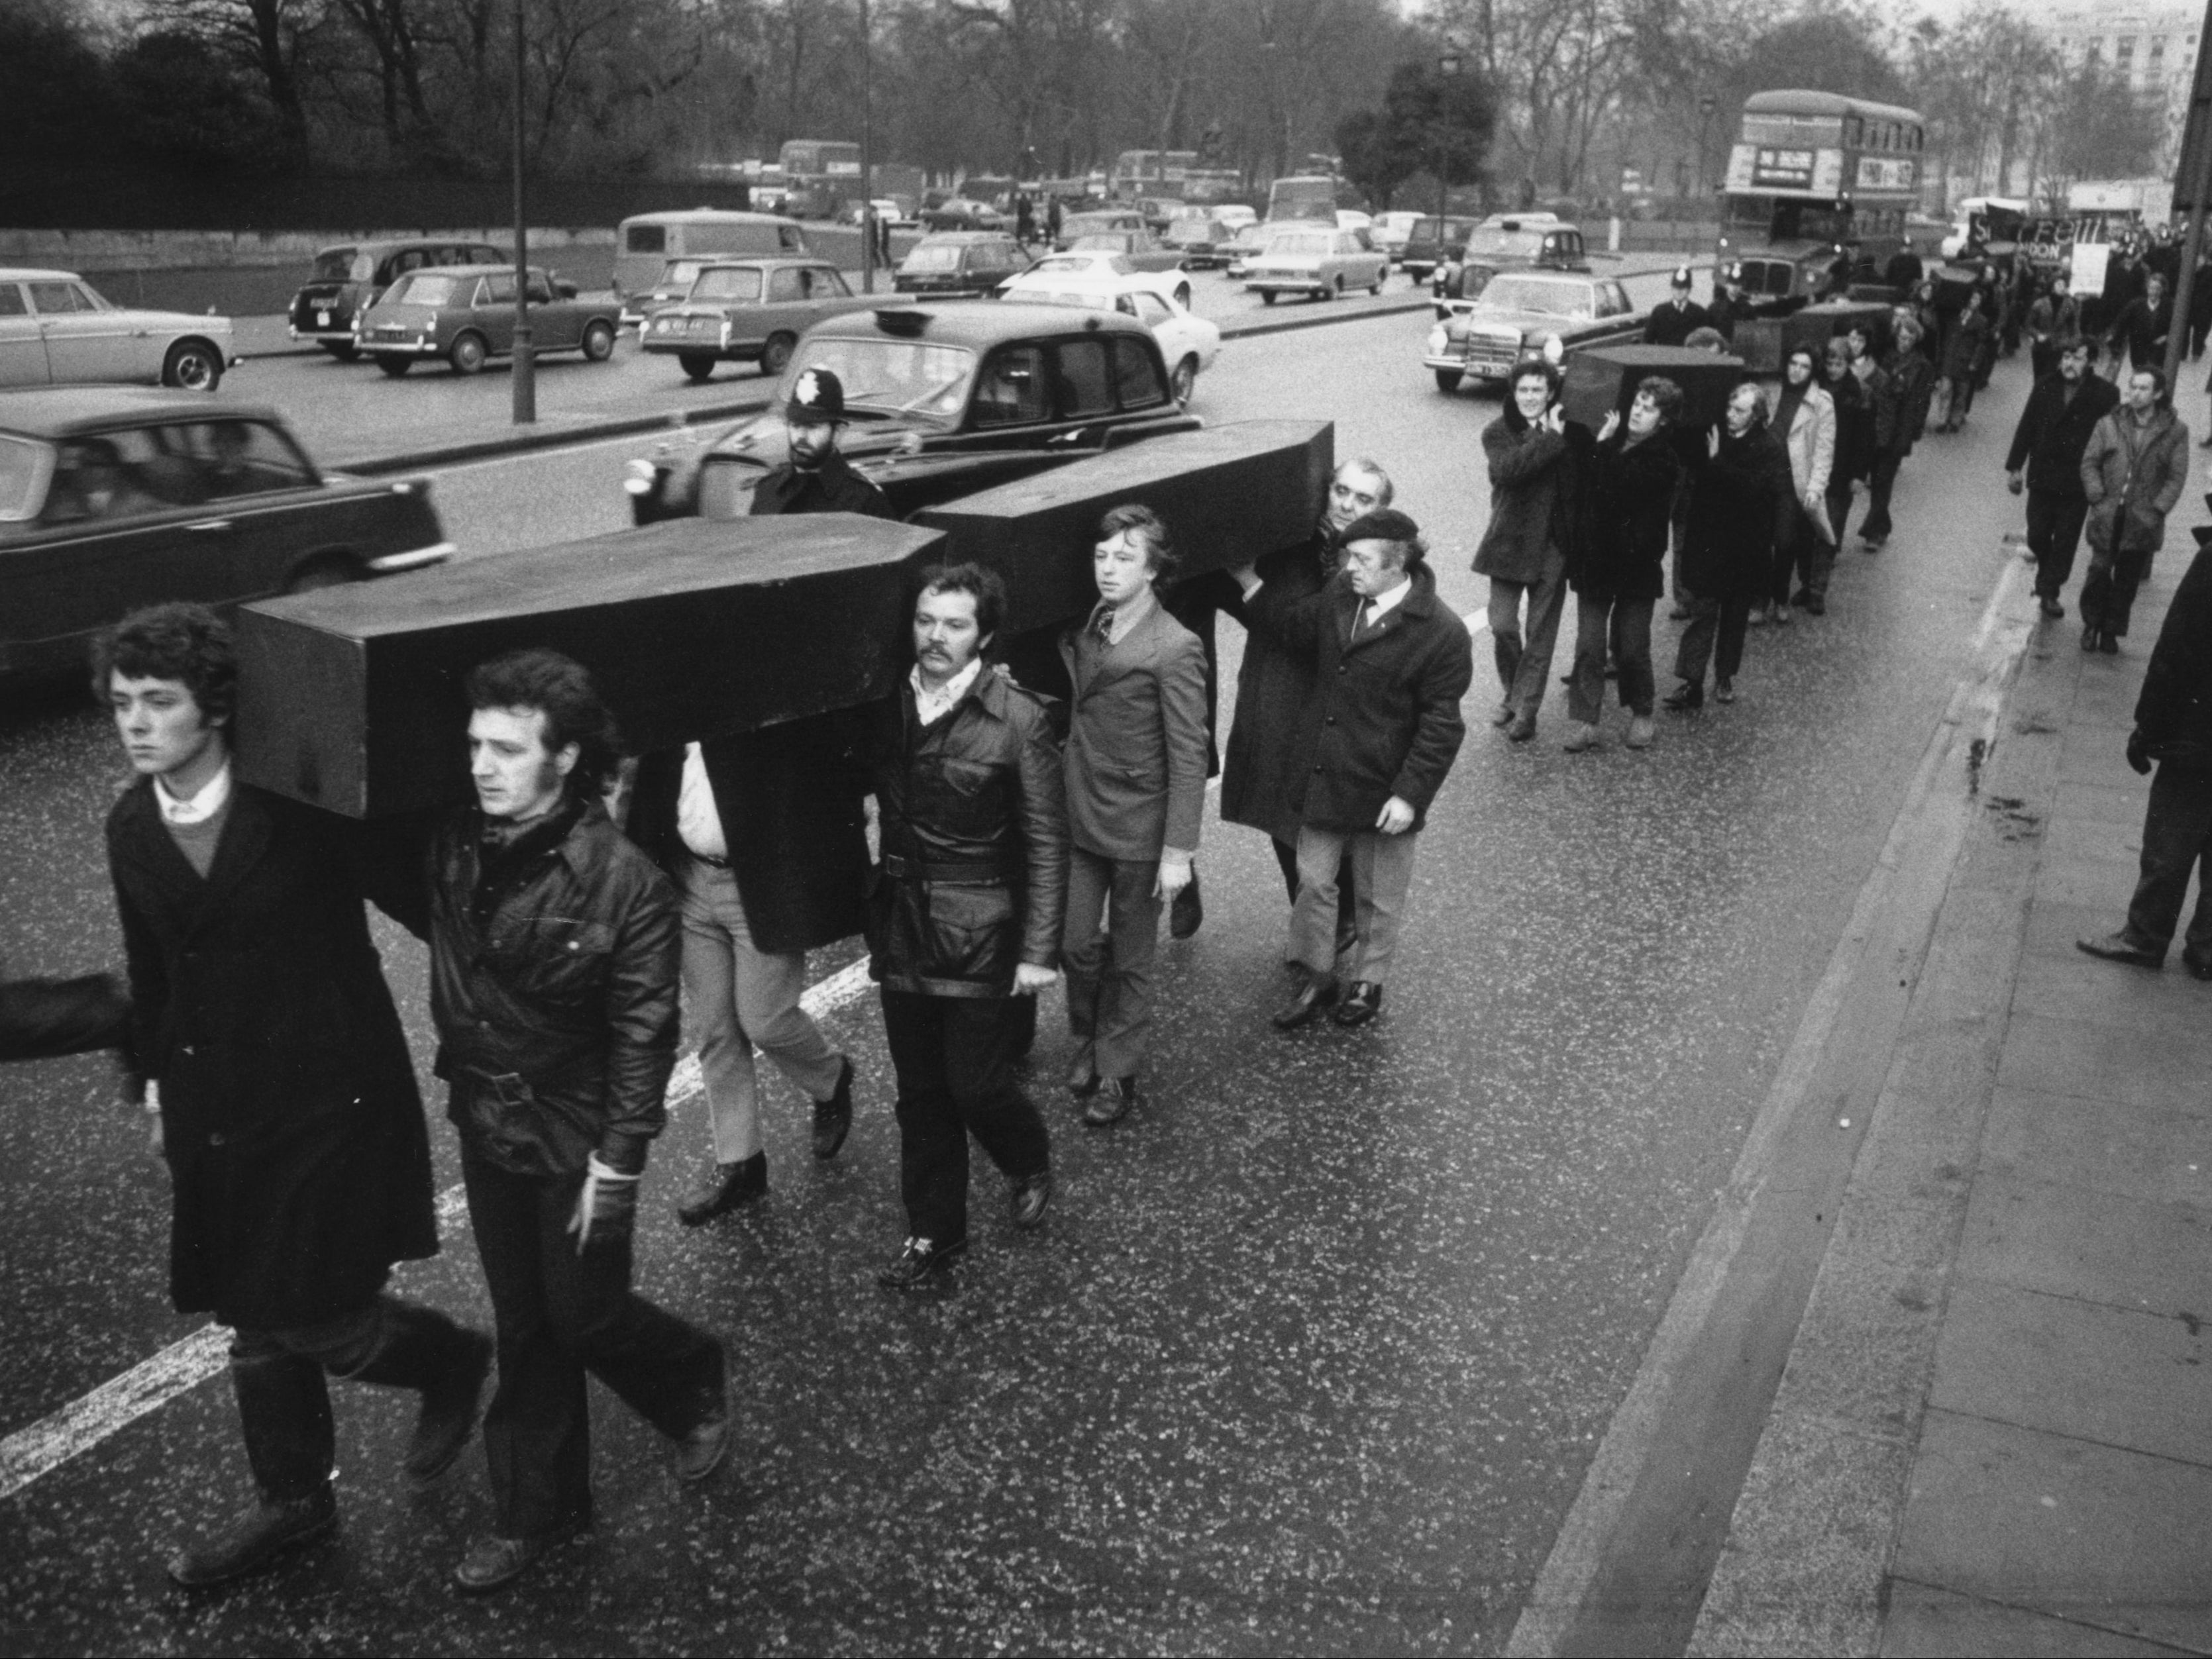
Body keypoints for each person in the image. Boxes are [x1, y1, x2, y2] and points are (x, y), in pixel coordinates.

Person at [99, 603, 492, 1590]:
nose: (136, 723)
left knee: (321, 1315)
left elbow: (427, 900)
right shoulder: (130, 824)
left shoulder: (299, 804)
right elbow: (153, 972)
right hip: (215, 1107)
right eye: (121, 704)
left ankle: (447, 1360)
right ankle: (294, 1501)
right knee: (251, 1315)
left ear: (216, 709)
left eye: (159, 702)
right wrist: (154, 1091)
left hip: (329, 1097)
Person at [428, 648, 728, 1593]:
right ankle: (532, 1511)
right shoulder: (451, 843)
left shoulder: (623, 878)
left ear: (560, 761)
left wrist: (621, 1160)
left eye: (507, 749)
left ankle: (690, 1379)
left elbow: (644, 1029)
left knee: (585, 1314)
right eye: (476, 745)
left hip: (576, 1131)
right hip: (486, 1116)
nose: (482, 765)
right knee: (525, 1324)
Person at [863, 563, 1065, 1287]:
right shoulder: (885, 701)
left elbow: (1045, 839)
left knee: (975, 1085)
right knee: (920, 1094)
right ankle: (933, 1237)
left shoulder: (1019, 718)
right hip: (903, 929)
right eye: (925, 620)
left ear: (984, 634)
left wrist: (1040, 950)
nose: (935, 637)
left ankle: (1027, 1155)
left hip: (982, 928)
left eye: (953, 624)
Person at [1234, 509, 1473, 1029]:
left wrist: (1410, 795)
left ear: (1397, 564)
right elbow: (1293, 628)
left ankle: (1368, 982)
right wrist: (1250, 585)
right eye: (1348, 557)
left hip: (1385, 790)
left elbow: (1441, 726)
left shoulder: (1442, 632)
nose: (1349, 567)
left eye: (1362, 559)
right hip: (1324, 775)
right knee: (1314, 882)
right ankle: (1316, 975)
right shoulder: (1343, 594)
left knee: (1377, 895)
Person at [625, 713, 867, 1221]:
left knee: (765, 1018)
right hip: (690, 881)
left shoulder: (761, 707)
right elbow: (647, 788)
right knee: (714, 1028)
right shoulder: (671, 709)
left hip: (760, 889)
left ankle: (831, 1076)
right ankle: (739, 1164)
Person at [1057, 505, 1207, 1126]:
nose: (1108, 568)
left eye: (1124, 557)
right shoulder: (1093, 625)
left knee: (1131, 955)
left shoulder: (1174, 646)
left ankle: (1118, 1070)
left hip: (1140, 828)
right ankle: (1090, 1033)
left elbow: (1189, 752)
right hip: (1081, 815)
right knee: (1072, 943)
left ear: (1152, 570)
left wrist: (1178, 852)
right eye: (1101, 556)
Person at [1217, 461, 1381, 958]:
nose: (1346, 504)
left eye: (1363, 498)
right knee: (1277, 815)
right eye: (1340, 490)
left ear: (1380, 509)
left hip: (1315, 709)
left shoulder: (1357, 563)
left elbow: (1304, 628)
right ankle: (1317, 926)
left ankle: (1332, 923)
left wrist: (1248, 580)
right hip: (1273, 696)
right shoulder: (1303, 541)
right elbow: (1257, 612)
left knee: (1304, 823)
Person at [2076, 532, 2212, 978]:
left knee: (2170, 839)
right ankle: (2206, 947)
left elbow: (2176, 648)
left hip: (2198, 737)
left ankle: (2145, 934)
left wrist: (2147, 727)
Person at [1563, 377, 1683, 753]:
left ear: (1663, 420)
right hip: (1596, 562)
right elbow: (1584, 485)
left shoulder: (1663, 458)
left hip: (1636, 565)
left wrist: (1601, 450)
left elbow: (1623, 487)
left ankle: (1642, 711)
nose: (1638, 411)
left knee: (1632, 647)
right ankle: (1586, 720)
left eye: (1649, 408)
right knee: (1589, 644)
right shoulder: (1608, 441)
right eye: (1637, 403)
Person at [1474, 358, 1583, 742]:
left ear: (1551, 393)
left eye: (1538, 390)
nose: (1530, 397)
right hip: (1510, 542)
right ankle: (1512, 691)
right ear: (1513, 392)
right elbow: (1510, 470)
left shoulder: (1571, 429)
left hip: (1553, 544)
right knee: (1503, 625)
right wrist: (1551, 439)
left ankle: (1526, 710)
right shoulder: (1497, 432)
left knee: (1541, 632)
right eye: (1523, 390)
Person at [1665, 382, 1790, 710]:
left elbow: (1755, 490)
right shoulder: (1713, 433)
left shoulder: (1768, 446)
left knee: (1734, 617)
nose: (1732, 415)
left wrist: (1717, 462)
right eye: (1730, 408)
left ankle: (1724, 676)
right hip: (1708, 541)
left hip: (1744, 546)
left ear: (1757, 415)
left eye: (1741, 411)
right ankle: (1691, 681)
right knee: (1702, 613)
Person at [2005, 336, 2121, 621]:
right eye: (2066, 357)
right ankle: (2047, 573)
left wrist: (2107, 479)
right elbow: (2027, 425)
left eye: (2077, 358)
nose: (2069, 364)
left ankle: (2050, 590)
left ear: (2091, 361)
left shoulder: (2106, 393)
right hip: (2043, 476)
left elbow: (2110, 439)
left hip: (2078, 480)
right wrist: (2015, 467)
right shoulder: (2045, 384)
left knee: (2066, 540)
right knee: (2038, 534)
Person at [2080, 368, 2191, 654]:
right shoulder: (2109, 424)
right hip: (2108, 512)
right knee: (2099, 571)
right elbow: (2090, 462)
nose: (2135, 394)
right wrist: (2096, 494)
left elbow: (2175, 478)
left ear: (2157, 394)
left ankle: (2111, 630)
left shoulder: (2175, 431)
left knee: (2127, 579)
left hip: (2142, 519)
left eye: (2143, 389)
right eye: (2133, 387)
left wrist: (2157, 510)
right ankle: (2091, 623)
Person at [749, 368, 896, 518]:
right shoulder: (768, 490)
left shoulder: (864, 500)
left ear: (838, 432)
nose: (801, 436)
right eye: (795, 425)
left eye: (812, 427)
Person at [1765, 345, 1834, 627]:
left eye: (1805, 366)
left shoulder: (1821, 403)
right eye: (1793, 363)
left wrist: (1816, 489)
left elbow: (1824, 451)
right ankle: (1758, 600)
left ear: (1813, 370)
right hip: (1763, 478)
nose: (1797, 370)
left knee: (1784, 543)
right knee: (1758, 544)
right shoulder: (1770, 390)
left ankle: (1780, 599)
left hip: (1793, 484)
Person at [1860, 313, 1935, 550]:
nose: (1904, 343)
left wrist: (1915, 432)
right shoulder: (1883, 357)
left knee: (1883, 481)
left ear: (1916, 341)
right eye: (1902, 337)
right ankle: (1882, 527)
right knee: (1874, 479)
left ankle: (1872, 532)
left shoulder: (1923, 366)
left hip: (1898, 430)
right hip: (1874, 425)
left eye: (1909, 339)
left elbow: (1922, 402)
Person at [1815, 334, 1870, 581]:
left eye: (1839, 365)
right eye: (1830, 364)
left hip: (1844, 464)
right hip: (1820, 459)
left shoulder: (1859, 392)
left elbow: (1864, 439)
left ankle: (1827, 557)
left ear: (1849, 364)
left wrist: (1859, 474)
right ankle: (1820, 558)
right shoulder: (1817, 386)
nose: (1834, 370)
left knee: (1836, 513)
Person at [1936, 286, 1989, 432]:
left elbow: (1981, 344)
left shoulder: (1981, 321)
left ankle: (1955, 420)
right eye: (1973, 298)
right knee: (1945, 390)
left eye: (1978, 300)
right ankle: (1942, 420)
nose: (1975, 302)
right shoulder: (1956, 314)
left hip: (1966, 361)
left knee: (1961, 394)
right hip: (1951, 357)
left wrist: (1975, 362)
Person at [2105, 272, 2172, 383]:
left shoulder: (2169, 307)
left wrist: (2166, 337)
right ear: (2147, 288)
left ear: (2163, 290)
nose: (2154, 292)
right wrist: (2113, 337)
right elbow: (2121, 322)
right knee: (2139, 373)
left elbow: (2175, 328)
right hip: (2138, 347)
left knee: (2154, 376)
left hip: (2158, 349)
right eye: (2151, 288)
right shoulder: (2136, 305)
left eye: (2158, 289)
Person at [1642, 267, 1711, 347]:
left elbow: (1707, 342)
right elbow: (1648, 341)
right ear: (1671, 288)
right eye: (1676, 287)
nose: (1679, 291)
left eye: (1683, 288)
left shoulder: (1699, 313)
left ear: (1689, 289)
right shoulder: (1660, 312)